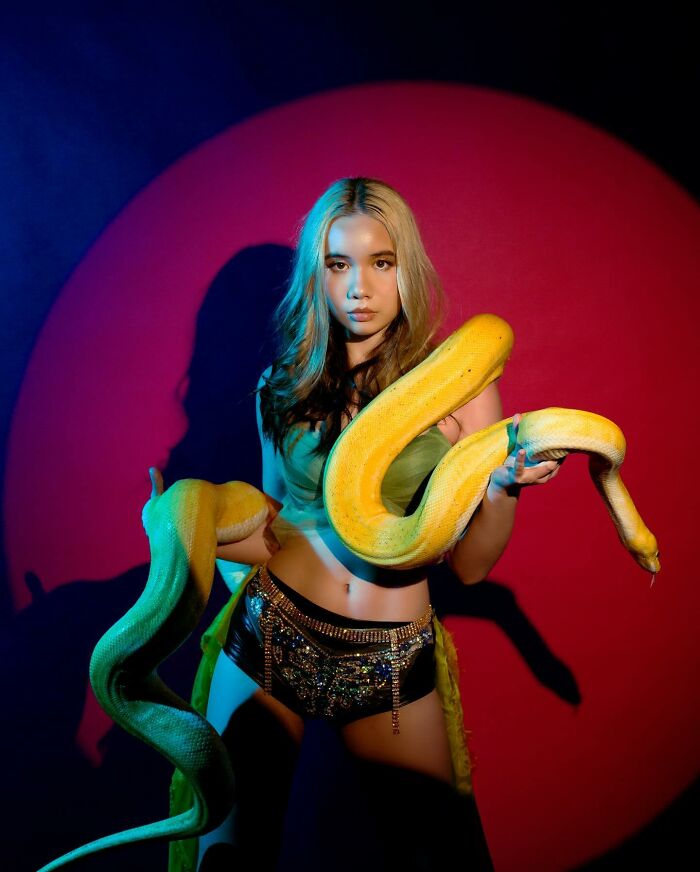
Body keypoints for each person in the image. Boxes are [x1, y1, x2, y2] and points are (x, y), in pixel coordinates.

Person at [163, 176, 564, 871]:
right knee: (226, 858)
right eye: (338, 264)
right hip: (270, 634)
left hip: (388, 656)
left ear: (405, 268)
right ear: (315, 275)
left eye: (380, 263)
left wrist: (502, 484)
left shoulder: (459, 389)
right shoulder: (279, 386)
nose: (360, 288)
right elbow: (269, 525)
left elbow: (469, 566)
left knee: (441, 855)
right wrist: (183, 526)